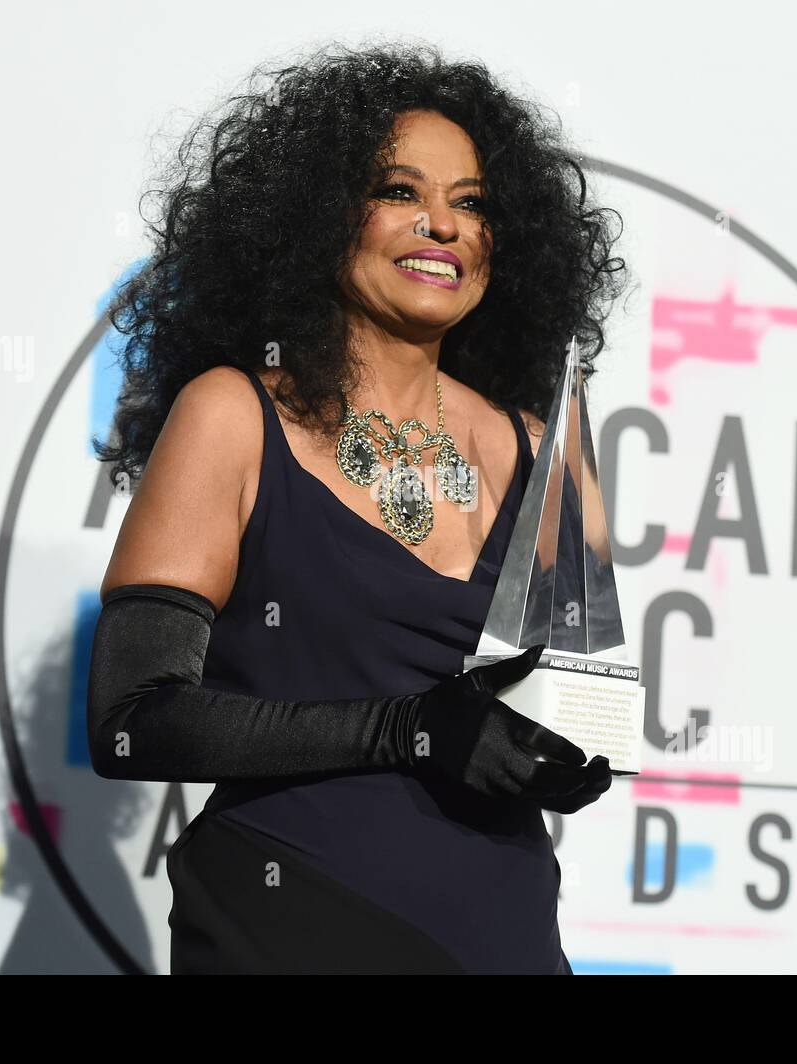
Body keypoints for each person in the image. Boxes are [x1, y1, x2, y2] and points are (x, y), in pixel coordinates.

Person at [86, 40, 629, 974]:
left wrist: (566, 743)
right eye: (398, 192)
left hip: (506, 941)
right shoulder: (235, 413)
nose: (442, 226)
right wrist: (410, 727)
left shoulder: (547, 447)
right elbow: (133, 717)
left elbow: (572, 700)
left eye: (471, 204)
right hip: (289, 921)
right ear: (317, 217)